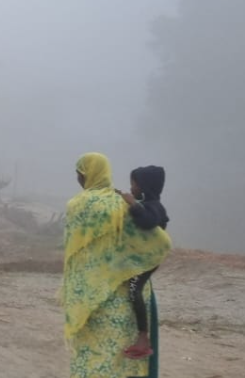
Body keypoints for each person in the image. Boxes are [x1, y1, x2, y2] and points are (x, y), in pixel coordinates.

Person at [59, 153, 172, 378]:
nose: (78, 179)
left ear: (86, 175)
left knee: (92, 354)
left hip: (92, 293)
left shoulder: (79, 204)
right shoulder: (122, 203)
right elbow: (156, 240)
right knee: (123, 360)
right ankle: (142, 336)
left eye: (79, 174)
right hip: (128, 287)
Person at [116, 165, 169, 360]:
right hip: (143, 257)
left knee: (133, 288)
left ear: (144, 186)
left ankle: (142, 338)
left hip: (150, 258)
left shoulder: (154, 206)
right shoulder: (149, 203)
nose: (131, 188)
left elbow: (147, 221)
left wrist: (133, 204)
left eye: (134, 184)